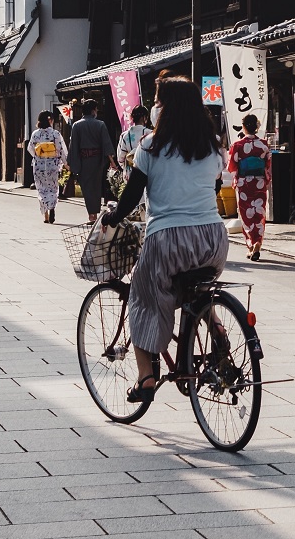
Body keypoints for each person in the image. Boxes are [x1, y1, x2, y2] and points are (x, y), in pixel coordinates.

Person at [99, 76, 228, 402]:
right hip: (213, 240)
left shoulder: (151, 147)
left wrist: (113, 215)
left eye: (158, 102)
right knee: (196, 287)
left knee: (142, 298)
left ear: (164, 108)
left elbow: (131, 197)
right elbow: (212, 188)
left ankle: (145, 378)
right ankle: (216, 326)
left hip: (169, 240)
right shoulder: (210, 144)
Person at [227, 114, 272, 261]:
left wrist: (237, 176)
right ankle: (258, 242)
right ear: (257, 127)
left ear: (244, 127)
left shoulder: (237, 145)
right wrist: (265, 179)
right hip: (259, 183)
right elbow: (268, 166)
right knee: (259, 214)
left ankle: (251, 245)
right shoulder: (264, 145)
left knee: (246, 215)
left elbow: (232, 166)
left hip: (244, 183)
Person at [65, 99, 112, 224]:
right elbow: (106, 144)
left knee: (86, 188)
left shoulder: (76, 125)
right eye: (96, 109)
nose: (96, 111)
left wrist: (71, 163)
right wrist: (111, 161)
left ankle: (92, 215)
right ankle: (94, 214)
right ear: (92, 111)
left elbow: (73, 146)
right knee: (96, 187)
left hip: (83, 161)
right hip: (97, 161)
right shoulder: (100, 124)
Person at [26, 112, 66, 224]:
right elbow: (61, 149)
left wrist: (38, 156)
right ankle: (52, 207)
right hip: (52, 164)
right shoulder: (55, 134)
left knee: (41, 189)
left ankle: (46, 216)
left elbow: (30, 148)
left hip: (39, 165)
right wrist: (65, 162)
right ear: (50, 120)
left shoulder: (36, 134)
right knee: (53, 188)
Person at [117, 106, 151, 173]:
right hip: (147, 171)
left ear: (132, 117)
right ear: (144, 117)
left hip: (130, 172)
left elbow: (120, 158)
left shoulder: (124, 135)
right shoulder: (150, 134)